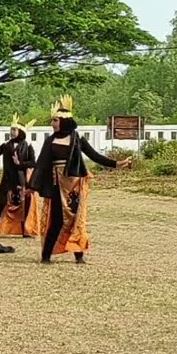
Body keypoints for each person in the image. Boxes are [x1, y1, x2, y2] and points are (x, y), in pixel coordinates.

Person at [30, 95, 132, 264]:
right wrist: (32, 185)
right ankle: (46, 256)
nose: (52, 124)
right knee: (56, 221)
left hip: (75, 187)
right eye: (52, 121)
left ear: (64, 122)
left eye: (55, 120)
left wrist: (117, 164)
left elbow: (95, 156)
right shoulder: (50, 141)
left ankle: (79, 255)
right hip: (57, 186)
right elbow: (41, 164)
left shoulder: (77, 140)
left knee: (76, 220)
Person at [0, 115, 38, 239]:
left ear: (20, 132)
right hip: (7, 180)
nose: (12, 132)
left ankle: (25, 231)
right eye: (11, 130)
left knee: (24, 206)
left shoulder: (27, 146)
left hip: (21, 180)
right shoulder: (6, 146)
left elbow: (32, 163)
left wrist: (19, 164)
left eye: (14, 130)